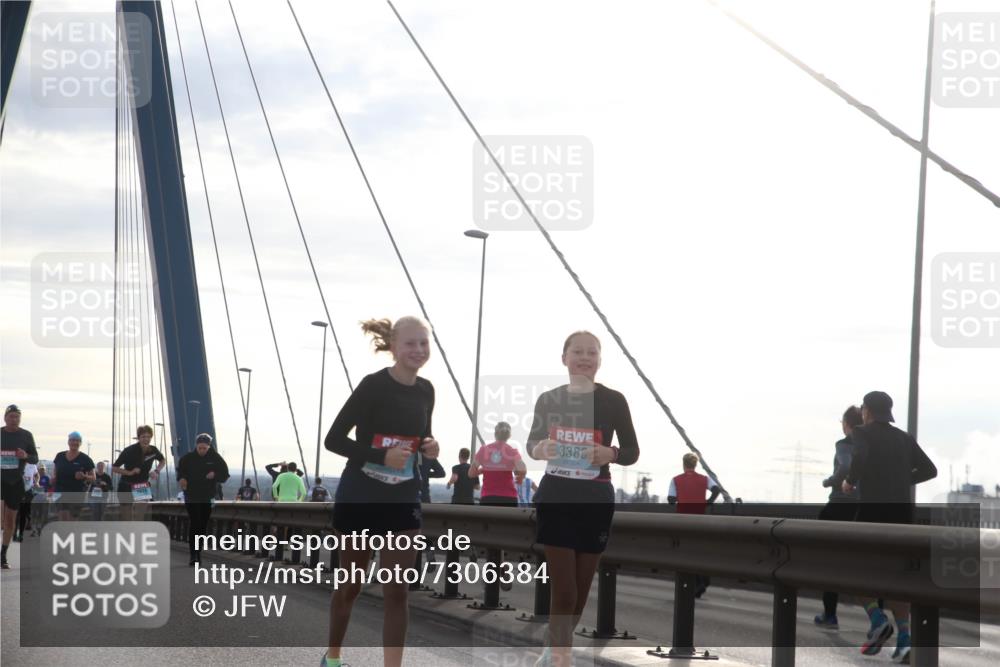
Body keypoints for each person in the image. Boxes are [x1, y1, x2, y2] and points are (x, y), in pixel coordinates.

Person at [322, 316, 440, 667]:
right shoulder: (372, 386)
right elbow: (334, 440)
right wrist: (380, 455)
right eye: (410, 343)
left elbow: (421, 437)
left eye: (423, 343)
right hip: (361, 495)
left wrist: (430, 447)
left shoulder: (426, 390)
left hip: (402, 497)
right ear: (393, 347)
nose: (418, 350)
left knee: (397, 591)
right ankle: (333, 655)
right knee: (351, 587)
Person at [526, 331, 639, 667]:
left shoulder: (614, 400)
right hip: (557, 497)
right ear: (564, 358)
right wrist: (539, 448)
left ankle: (551, 651)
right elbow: (532, 442)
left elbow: (632, 451)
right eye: (578, 352)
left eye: (592, 352)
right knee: (564, 592)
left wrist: (611, 453)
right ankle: (561, 659)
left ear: (600, 360)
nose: (585, 358)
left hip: (595, 500)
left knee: (579, 593)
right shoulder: (549, 399)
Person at [842, 391, 937, 661]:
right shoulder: (904, 438)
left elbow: (860, 457)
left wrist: (850, 481)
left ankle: (876, 619)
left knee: (851, 568)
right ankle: (905, 639)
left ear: (867, 411)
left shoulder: (862, 433)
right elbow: (930, 470)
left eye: (863, 409)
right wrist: (899, 478)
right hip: (903, 517)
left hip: (872, 514)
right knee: (899, 576)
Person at [813, 405, 862, 629]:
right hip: (862, 508)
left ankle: (829, 614)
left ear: (847, 424)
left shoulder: (844, 444)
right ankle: (877, 616)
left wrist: (830, 481)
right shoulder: (869, 444)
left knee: (827, 560)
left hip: (840, 506)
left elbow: (845, 467)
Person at [667, 453, 720, 597]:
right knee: (699, 551)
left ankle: (697, 584)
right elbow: (716, 490)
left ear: (683, 464)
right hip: (700, 521)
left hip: (683, 521)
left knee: (686, 553)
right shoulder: (704, 479)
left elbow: (671, 499)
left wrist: (680, 497)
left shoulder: (676, 480)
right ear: (695, 464)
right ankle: (704, 580)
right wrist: (708, 502)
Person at [177, 433, 230, 566]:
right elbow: (180, 472)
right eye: (199, 448)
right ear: (196, 445)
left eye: (204, 448)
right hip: (191, 495)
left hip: (207, 496)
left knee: (202, 525)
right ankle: (193, 555)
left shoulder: (215, 458)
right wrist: (182, 478)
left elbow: (225, 475)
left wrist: (215, 475)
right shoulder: (187, 458)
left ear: (209, 446)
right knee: (195, 522)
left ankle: (198, 552)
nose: (202, 450)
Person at [1, 405, 39, 568]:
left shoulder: (26, 435)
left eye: (17, 417)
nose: (14, 419)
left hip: (15, 482)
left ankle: (3, 554)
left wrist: (26, 455)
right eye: (11, 416)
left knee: (10, 522)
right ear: (5, 418)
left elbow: (35, 459)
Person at [112, 425, 166, 517]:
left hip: (141, 484)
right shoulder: (129, 451)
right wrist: (130, 472)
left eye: (148, 437)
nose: (146, 439)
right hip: (126, 485)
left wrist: (156, 471)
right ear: (138, 438)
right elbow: (114, 468)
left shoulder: (153, 450)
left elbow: (162, 460)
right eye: (143, 437)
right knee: (126, 517)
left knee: (140, 515)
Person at [471, 422, 526, 507]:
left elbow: (471, 473)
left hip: (488, 497)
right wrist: (521, 478)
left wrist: (483, 470)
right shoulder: (512, 451)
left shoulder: (484, 450)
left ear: (495, 433)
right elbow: (522, 468)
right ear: (509, 436)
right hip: (509, 498)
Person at [51, 431, 96, 521]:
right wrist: (53, 477)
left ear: (80, 443)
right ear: (68, 442)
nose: (74, 443)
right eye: (72, 440)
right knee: (62, 518)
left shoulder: (85, 459)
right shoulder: (60, 456)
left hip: (77, 493)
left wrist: (84, 476)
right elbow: (55, 470)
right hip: (60, 490)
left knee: (71, 520)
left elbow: (93, 478)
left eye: (77, 441)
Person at [14, 459, 38, 541]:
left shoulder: (32, 465)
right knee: (17, 514)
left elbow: (36, 475)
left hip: (28, 492)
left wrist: (37, 482)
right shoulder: (16, 462)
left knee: (24, 514)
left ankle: (21, 535)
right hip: (17, 491)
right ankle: (14, 534)